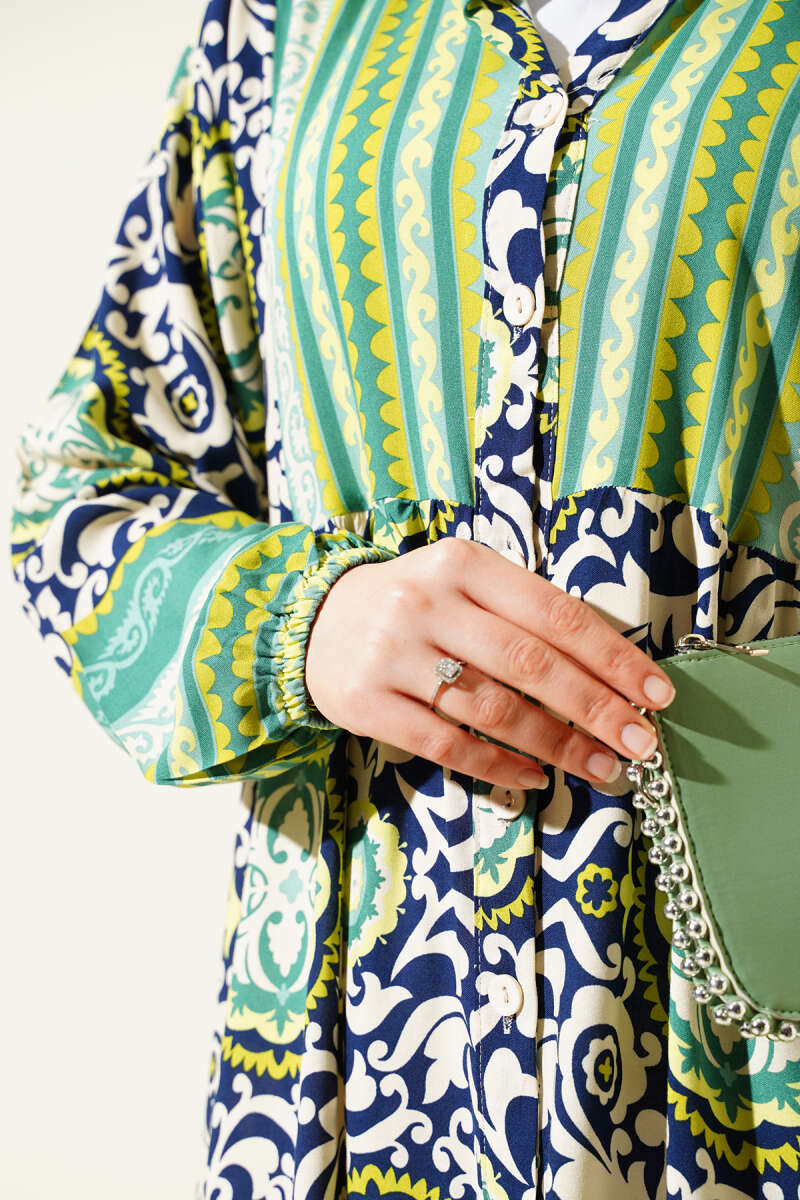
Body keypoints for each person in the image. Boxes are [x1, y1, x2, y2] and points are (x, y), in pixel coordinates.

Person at [9, 0, 800, 1195]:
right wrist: (300, 619)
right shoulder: (284, 27)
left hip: (750, 1045)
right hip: (363, 1049)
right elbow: (81, 483)